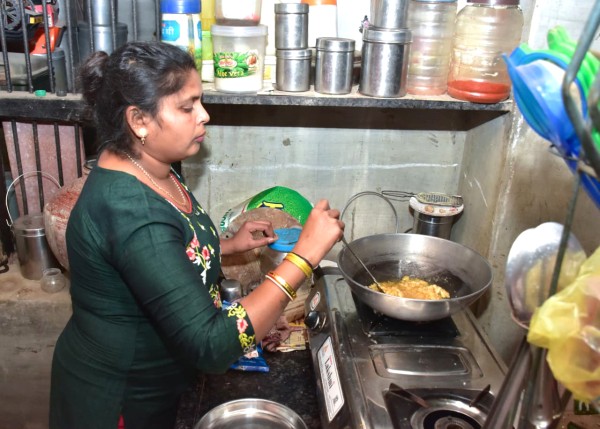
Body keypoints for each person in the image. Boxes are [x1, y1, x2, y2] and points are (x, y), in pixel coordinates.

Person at [49, 41, 344, 429]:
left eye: (199, 102)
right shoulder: (130, 210)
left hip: (163, 378)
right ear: (139, 120)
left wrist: (228, 246)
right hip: (122, 400)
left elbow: (162, 255)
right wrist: (302, 257)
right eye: (187, 107)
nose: (204, 115)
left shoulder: (151, 163)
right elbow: (212, 346)